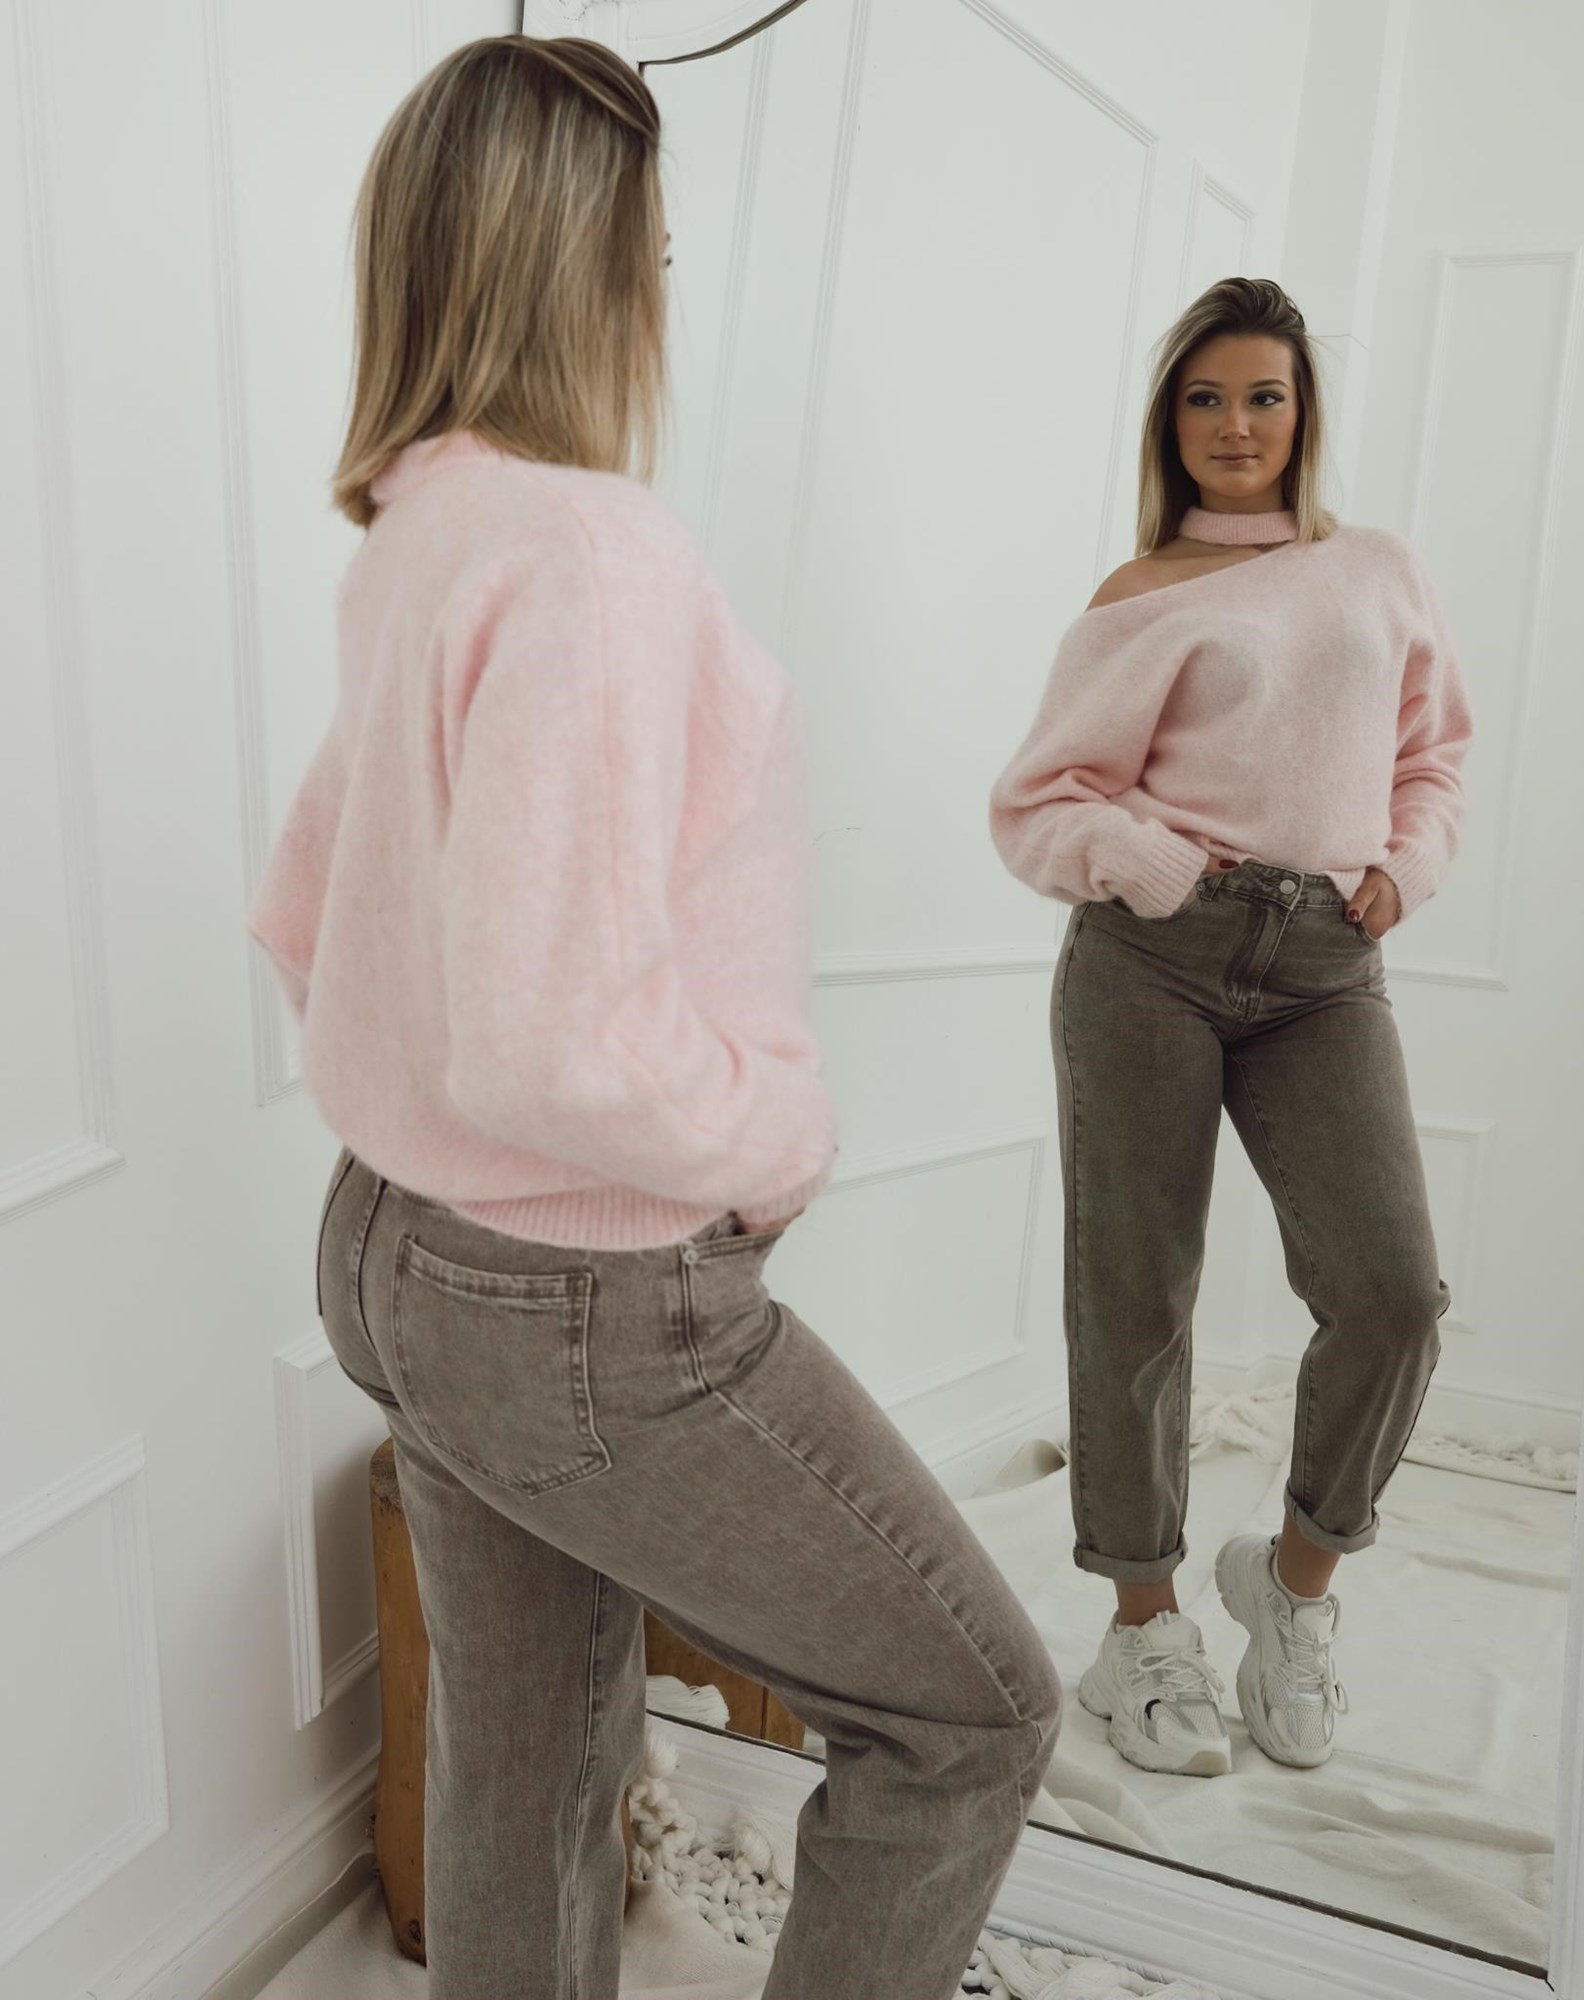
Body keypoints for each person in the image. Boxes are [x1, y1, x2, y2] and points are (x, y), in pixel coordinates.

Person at [248, 35, 1060, 2000]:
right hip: (580, 1298)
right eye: (655, 250)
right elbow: (549, 1037)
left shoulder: (421, 537)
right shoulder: (589, 552)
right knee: (970, 1716)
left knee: (529, 1760)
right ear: (583, 260)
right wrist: (768, 1141)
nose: (662, 290)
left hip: (392, 1253)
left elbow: (303, 908)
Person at [990, 277, 1471, 1778]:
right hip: (1153, 957)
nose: (1235, 426)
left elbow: (1433, 757)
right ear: (1170, 422)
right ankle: (1141, 1631)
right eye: (1205, 399)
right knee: (1134, 1299)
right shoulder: (1138, 595)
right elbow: (1038, 801)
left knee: (1392, 1294)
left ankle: (1291, 1585)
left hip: (1327, 964)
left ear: (1303, 412)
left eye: (1263, 396)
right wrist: (1154, 869)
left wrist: (1405, 869)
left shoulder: (1375, 570)